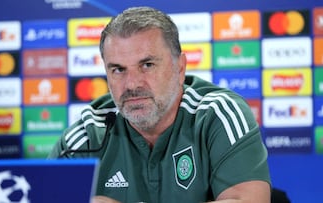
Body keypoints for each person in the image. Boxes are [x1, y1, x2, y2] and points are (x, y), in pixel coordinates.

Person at [48, 6, 271, 203]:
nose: (132, 84)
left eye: (147, 65)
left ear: (180, 68)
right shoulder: (86, 136)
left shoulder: (219, 114)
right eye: (118, 69)